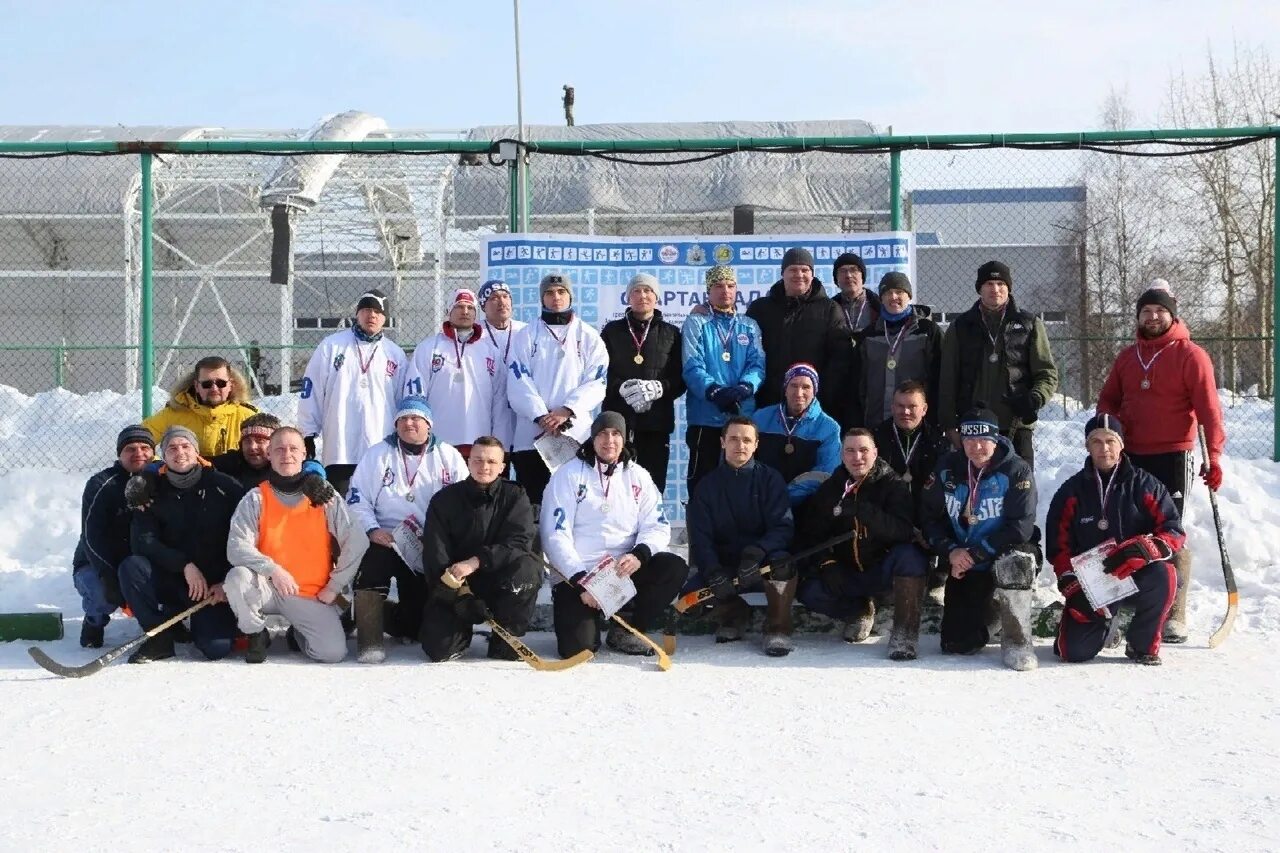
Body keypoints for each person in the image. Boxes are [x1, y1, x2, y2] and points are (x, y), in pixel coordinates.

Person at [1096, 280, 1224, 644]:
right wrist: (1107, 432)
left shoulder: (1190, 355)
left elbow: (1210, 411)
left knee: (1167, 531)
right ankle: (1128, 606)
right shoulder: (1127, 357)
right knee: (1126, 527)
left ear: (1172, 315)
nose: (1153, 317)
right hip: (1131, 454)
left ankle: (1174, 613)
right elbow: (1108, 400)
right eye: (1146, 312)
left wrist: (1213, 456)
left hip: (1173, 453)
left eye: (1160, 311)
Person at [541, 412, 688, 659]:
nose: (609, 440)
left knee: (672, 567)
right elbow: (555, 534)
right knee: (578, 650)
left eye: (616, 433)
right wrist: (581, 581)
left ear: (625, 438)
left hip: (621, 571)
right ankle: (585, 620)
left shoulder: (638, 475)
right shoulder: (568, 475)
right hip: (578, 576)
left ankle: (625, 627)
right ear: (593, 439)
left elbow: (657, 525)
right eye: (602, 434)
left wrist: (639, 555)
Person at [1047, 414, 1184, 666]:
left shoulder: (1146, 485)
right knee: (1072, 654)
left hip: (1133, 574)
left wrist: (1148, 549)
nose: (1104, 448)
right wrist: (1069, 581)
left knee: (1165, 574)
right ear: (1087, 447)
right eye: (1096, 441)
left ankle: (1141, 644)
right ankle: (1104, 626)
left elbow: (1173, 529)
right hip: (1091, 583)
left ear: (1122, 444)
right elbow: (1058, 544)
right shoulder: (1070, 491)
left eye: (1111, 441)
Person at [224, 427, 364, 664]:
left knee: (332, 654)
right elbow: (236, 547)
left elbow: (357, 540)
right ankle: (255, 632)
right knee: (237, 578)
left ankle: (299, 633)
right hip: (266, 587)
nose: (286, 454)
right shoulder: (256, 498)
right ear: (269, 454)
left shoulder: (322, 496)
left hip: (310, 593)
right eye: (279, 449)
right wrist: (273, 570)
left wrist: (335, 585)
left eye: (293, 449)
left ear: (304, 455)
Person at [346, 396, 468, 663]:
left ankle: (390, 615)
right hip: (384, 537)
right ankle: (369, 639)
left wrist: (444, 540)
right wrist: (372, 529)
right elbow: (357, 498)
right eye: (403, 418)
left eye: (416, 418)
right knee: (372, 572)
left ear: (429, 424)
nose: (409, 423)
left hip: (424, 542)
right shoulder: (377, 454)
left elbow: (463, 502)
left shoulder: (449, 455)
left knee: (415, 625)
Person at [922, 405, 1040, 671]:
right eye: (969, 439)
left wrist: (977, 553)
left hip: (1005, 550)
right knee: (956, 644)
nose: (977, 447)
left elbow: (1020, 526)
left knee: (1016, 563)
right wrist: (951, 551)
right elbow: (929, 518)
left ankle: (1017, 642)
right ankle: (996, 615)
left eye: (983, 439)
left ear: (995, 438)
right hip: (964, 559)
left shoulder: (1016, 470)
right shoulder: (946, 469)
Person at [797, 429, 929, 660]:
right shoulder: (830, 489)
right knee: (809, 591)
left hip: (882, 570)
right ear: (842, 455)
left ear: (875, 453)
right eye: (850, 451)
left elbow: (902, 530)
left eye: (863, 450)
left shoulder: (893, 485)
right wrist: (827, 563)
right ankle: (858, 610)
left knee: (911, 557)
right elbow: (811, 536)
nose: (857, 457)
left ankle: (904, 633)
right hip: (847, 572)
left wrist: (863, 511)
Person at [119, 426, 245, 663]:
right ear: (164, 456)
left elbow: (245, 536)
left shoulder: (224, 486)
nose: (180, 452)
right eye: (172, 448)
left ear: (197, 452)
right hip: (172, 576)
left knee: (215, 648)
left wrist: (227, 581)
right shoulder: (152, 489)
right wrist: (183, 564)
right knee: (132, 566)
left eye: (186, 446)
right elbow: (143, 541)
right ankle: (159, 638)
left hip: (210, 586)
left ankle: (202, 623)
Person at [419, 436, 542, 662]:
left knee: (527, 569)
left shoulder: (516, 496)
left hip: (501, 579)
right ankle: (459, 632)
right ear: (468, 462)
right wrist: (458, 595)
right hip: (457, 584)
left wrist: (476, 561)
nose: (484, 467)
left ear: (503, 467)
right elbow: (435, 555)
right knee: (439, 650)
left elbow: (518, 542)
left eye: (492, 462)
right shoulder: (444, 500)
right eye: (478, 460)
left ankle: (504, 639)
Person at [686, 416, 795, 655]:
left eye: (747, 440)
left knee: (784, 564)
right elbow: (701, 539)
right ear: (723, 442)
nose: (740, 445)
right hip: (724, 568)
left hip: (760, 564)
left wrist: (758, 552)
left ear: (756, 444)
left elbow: (783, 527)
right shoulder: (706, 487)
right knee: (689, 598)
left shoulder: (770, 480)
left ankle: (777, 629)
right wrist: (713, 571)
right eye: (734, 439)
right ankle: (734, 614)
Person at [938, 261, 1059, 468]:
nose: (995, 289)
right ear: (979, 289)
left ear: (1009, 288)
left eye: (1001, 284)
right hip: (973, 425)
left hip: (1016, 423)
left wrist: (1035, 397)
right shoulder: (960, 327)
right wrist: (950, 424)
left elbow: (1047, 373)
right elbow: (948, 378)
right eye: (989, 284)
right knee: (974, 492)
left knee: (1020, 490)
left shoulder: (1029, 324)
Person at [507, 273, 609, 505]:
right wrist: (541, 416)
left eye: (561, 292)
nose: (556, 297)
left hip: (575, 434)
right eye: (550, 293)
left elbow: (597, 381)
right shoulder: (525, 335)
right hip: (532, 435)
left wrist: (566, 411)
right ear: (542, 298)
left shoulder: (589, 336)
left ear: (570, 296)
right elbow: (517, 379)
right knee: (534, 502)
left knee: (574, 500)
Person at [297, 288, 409, 496]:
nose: (372, 315)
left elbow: (402, 401)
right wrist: (308, 433)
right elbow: (311, 390)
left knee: (379, 506)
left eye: (378, 311)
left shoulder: (395, 354)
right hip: (340, 447)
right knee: (340, 508)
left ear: (385, 317)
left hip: (380, 445)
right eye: (366, 309)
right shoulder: (331, 346)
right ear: (357, 313)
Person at [681, 265, 766, 497]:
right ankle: (699, 531)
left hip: (742, 414)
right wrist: (714, 392)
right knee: (703, 482)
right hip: (706, 416)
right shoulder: (696, 323)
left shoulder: (749, 325)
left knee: (743, 482)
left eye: (730, 286)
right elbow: (691, 365)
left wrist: (744, 387)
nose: (725, 291)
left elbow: (757, 364)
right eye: (718, 286)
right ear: (709, 290)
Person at [71, 425, 156, 648]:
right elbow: (91, 535)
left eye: (145, 447)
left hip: (137, 562)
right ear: (119, 454)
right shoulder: (101, 483)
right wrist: (107, 574)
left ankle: (162, 624)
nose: (138, 453)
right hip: (96, 561)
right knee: (102, 594)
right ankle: (94, 621)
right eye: (130, 448)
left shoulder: (161, 479)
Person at [600, 273, 686, 493]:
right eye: (636, 291)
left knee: (652, 485)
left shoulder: (672, 333)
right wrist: (620, 387)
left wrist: (660, 388)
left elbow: (680, 378)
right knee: (615, 484)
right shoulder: (611, 331)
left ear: (656, 296)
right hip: (618, 422)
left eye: (648, 291)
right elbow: (599, 372)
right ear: (628, 297)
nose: (642, 296)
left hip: (656, 423)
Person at [745, 247, 849, 419]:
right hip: (768, 405)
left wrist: (819, 395)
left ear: (812, 274)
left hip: (813, 407)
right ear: (782, 273)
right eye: (793, 269)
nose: (799, 275)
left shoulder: (829, 309)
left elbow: (840, 358)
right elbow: (746, 352)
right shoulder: (760, 309)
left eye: (805, 270)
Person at [872, 380, 950, 601]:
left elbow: (940, 493)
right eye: (899, 405)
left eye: (912, 406)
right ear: (892, 407)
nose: (905, 412)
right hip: (889, 517)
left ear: (924, 409)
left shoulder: (937, 443)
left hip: (925, 517)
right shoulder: (876, 438)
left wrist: (925, 528)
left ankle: (939, 579)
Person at [405, 288, 499, 459]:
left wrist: (498, 437)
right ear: (448, 311)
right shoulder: (429, 348)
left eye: (470, 308)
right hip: (439, 439)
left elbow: (499, 397)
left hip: (479, 438)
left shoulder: (490, 351)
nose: (465, 312)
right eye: (459, 307)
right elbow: (416, 393)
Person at [848, 272, 941, 429]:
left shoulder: (927, 331)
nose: (893, 297)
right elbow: (858, 383)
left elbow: (939, 376)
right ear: (881, 298)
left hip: (917, 423)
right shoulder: (869, 336)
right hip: (876, 422)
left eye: (899, 292)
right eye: (888, 293)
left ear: (909, 296)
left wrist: (935, 419)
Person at [751, 362, 842, 508]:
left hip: (805, 505)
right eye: (793, 385)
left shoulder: (829, 428)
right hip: (761, 501)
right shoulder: (760, 418)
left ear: (814, 391)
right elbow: (746, 458)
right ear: (785, 389)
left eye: (806, 387)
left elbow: (826, 472)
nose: (799, 393)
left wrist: (786, 497)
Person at [142, 356, 259, 457]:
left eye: (221, 383)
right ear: (197, 386)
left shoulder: (249, 417)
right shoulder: (173, 414)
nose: (214, 389)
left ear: (231, 385)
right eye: (207, 384)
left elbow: (272, 449)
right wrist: (158, 467)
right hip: (188, 481)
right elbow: (138, 442)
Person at [477, 279, 527, 457]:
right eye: (494, 298)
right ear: (483, 306)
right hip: (489, 407)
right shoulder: (476, 334)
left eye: (505, 296)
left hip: (522, 407)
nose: (502, 301)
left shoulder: (525, 332)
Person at [210, 412, 282, 488]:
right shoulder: (229, 464)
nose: (252, 447)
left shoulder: (287, 472)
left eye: (260, 440)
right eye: (247, 441)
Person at [831, 252, 880, 334]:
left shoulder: (879, 306)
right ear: (836, 279)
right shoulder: (829, 309)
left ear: (862, 276)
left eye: (853, 270)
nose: (848, 275)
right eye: (843, 271)